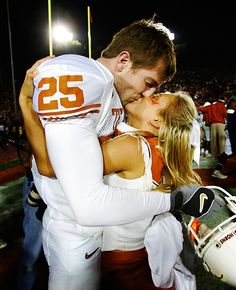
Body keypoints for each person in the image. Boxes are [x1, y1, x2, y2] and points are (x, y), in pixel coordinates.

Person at [19, 18, 215, 290]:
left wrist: (26, 103)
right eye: (149, 84)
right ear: (123, 61)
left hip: (99, 234)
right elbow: (55, 169)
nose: (147, 93)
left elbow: (54, 165)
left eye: (155, 92)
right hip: (76, 234)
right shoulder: (85, 76)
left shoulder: (119, 102)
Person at [22, 90, 202, 290]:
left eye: (155, 99)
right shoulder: (152, 146)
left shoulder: (131, 145)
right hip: (133, 257)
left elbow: (50, 167)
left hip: (116, 263)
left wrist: (27, 104)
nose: (145, 95)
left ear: (157, 121)